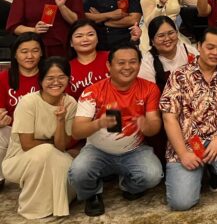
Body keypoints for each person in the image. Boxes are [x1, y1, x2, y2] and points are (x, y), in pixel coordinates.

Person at [68, 44, 163, 216]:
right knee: (78, 172)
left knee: (153, 175)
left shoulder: (149, 89)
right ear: (109, 65)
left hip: (134, 150)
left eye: (133, 62)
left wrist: (146, 125)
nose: (127, 67)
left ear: (139, 64)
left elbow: (154, 124)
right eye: (121, 63)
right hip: (97, 150)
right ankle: (93, 194)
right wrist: (98, 124)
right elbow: (76, 131)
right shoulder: (92, 91)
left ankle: (126, 185)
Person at [160, 27, 217, 210]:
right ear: (199, 46)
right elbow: (169, 117)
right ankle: (200, 169)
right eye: (210, 47)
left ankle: (213, 169)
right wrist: (183, 154)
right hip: (187, 142)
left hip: (216, 138)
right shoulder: (179, 75)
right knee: (181, 203)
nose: (216, 53)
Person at [1, 57, 77, 219]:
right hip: (19, 158)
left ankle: (57, 205)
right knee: (47, 153)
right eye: (50, 78)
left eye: (61, 77)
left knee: (69, 166)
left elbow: (62, 147)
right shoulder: (28, 102)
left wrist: (60, 120)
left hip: (53, 154)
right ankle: (34, 209)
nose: (56, 82)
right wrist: (51, 146)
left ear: (68, 79)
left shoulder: (70, 103)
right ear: (41, 80)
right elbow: (27, 144)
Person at [0, 33, 44, 189]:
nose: (30, 56)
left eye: (35, 51)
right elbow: (1, 110)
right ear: (15, 54)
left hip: (41, 131)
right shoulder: (4, 77)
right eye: (24, 51)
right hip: (14, 131)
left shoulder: (48, 75)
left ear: (41, 53)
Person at [67, 20, 110, 100]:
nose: (85, 39)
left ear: (97, 38)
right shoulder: (66, 68)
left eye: (90, 35)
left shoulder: (111, 57)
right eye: (79, 36)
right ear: (71, 43)